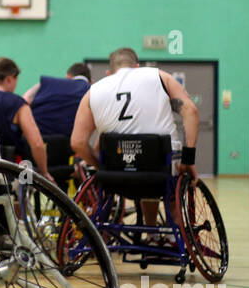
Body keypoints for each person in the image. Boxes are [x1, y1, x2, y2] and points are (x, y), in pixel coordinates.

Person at [70, 46, 199, 226]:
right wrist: (189, 159)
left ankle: (150, 226)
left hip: (115, 177)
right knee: (164, 171)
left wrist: (102, 166)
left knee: (139, 161)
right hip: (160, 172)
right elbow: (191, 111)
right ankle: (170, 237)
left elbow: (77, 142)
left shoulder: (93, 91)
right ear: (137, 67)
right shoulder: (158, 76)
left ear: (109, 73)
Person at [22, 62, 92, 138]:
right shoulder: (90, 90)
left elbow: (25, 100)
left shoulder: (48, 82)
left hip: (34, 137)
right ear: (91, 81)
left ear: (67, 76)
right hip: (66, 143)